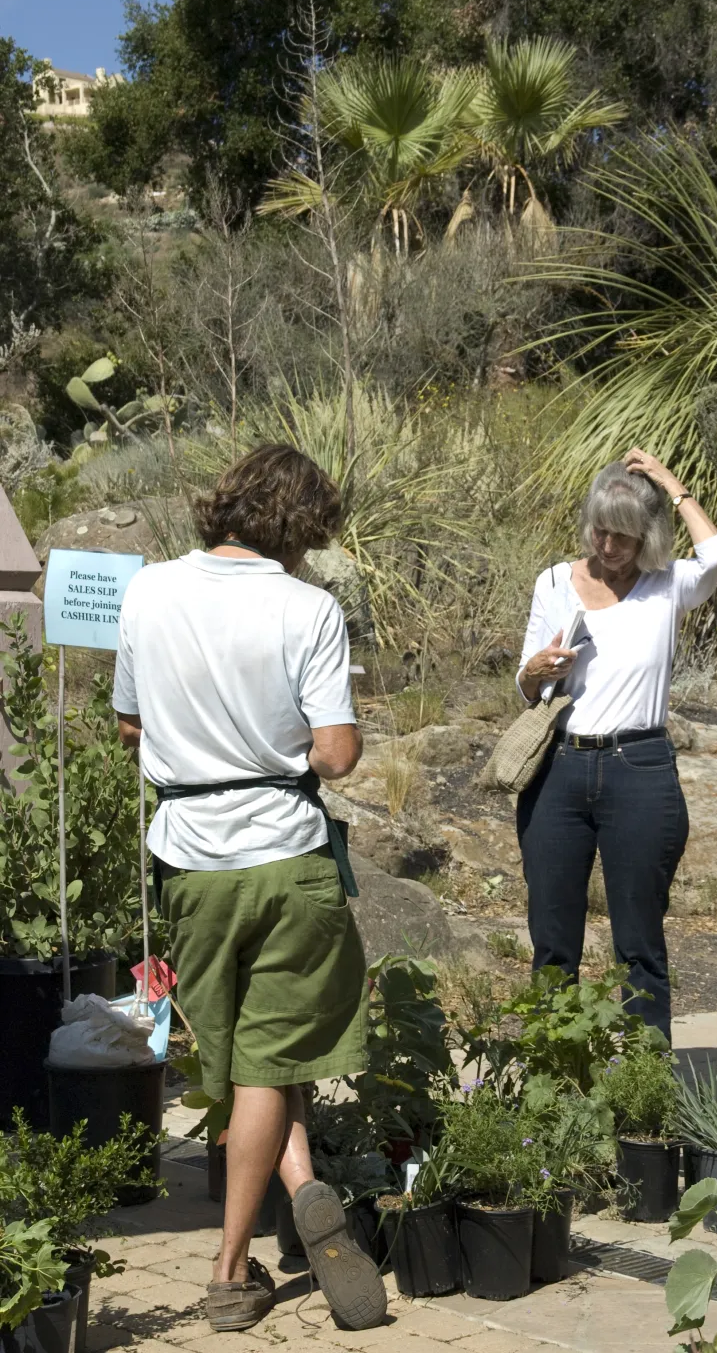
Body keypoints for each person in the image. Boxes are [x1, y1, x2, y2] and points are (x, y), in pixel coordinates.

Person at [113, 444, 387, 1334]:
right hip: (286, 854)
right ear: (299, 526)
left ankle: (298, 1191)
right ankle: (233, 1267)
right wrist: (273, 752)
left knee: (241, 1060)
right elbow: (337, 752)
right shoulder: (307, 607)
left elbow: (128, 723)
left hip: (190, 858)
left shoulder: (147, 590)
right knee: (275, 1055)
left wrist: (200, 746)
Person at [515, 449, 717, 1042]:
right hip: (558, 769)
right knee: (552, 937)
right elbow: (525, 686)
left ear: (648, 538)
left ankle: (642, 1086)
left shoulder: (670, 586)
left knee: (639, 941)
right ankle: (555, 1074)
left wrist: (668, 482)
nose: (608, 546)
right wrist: (536, 668)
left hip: (640, 768)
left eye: (624, 537)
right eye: (600, 531)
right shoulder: (555, 582)